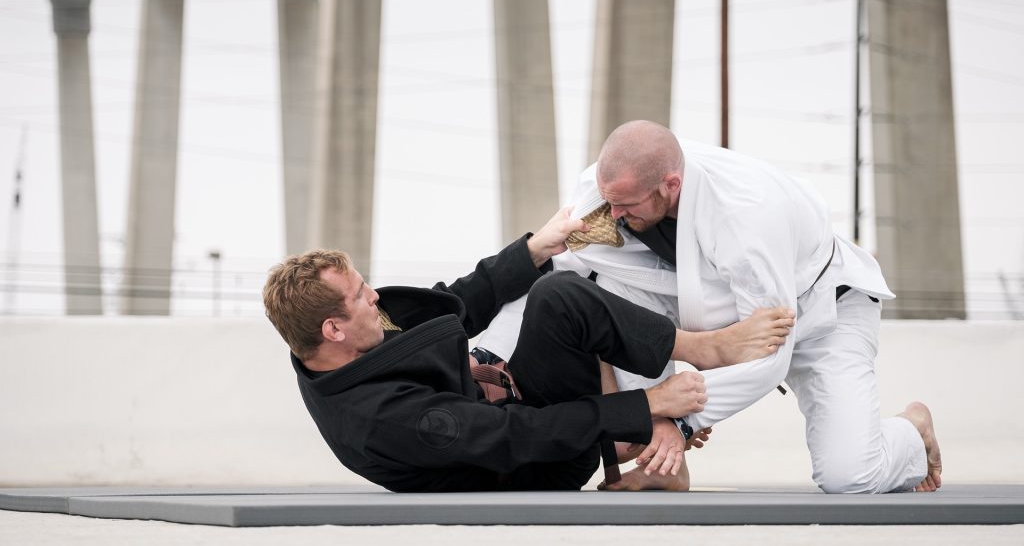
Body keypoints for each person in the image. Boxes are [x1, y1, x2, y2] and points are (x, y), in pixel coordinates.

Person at [262, 208, 795, 492]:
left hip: (503, 402)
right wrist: (649, 403)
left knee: (555, 286)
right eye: (360, 294)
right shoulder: (381, 420)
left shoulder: (354, 335)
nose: (373, 294)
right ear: (332, 329)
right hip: (532, 463)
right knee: (564, 298)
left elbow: (451, 306)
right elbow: (520, 436)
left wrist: (536, 247)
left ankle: (694, 355)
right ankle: (648, 431)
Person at [555, 120, 942, 494]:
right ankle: (668, 469)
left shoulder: (746, 219)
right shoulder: (605, 187)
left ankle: (912, 429)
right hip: (713, 308)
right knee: (612, 288)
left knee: (851, 476)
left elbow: (769, 356)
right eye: (610, 202)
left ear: (670, 185)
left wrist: (683, 423)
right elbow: (567, 279)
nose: (615, 214)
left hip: (822, 310)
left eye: (625, 205)